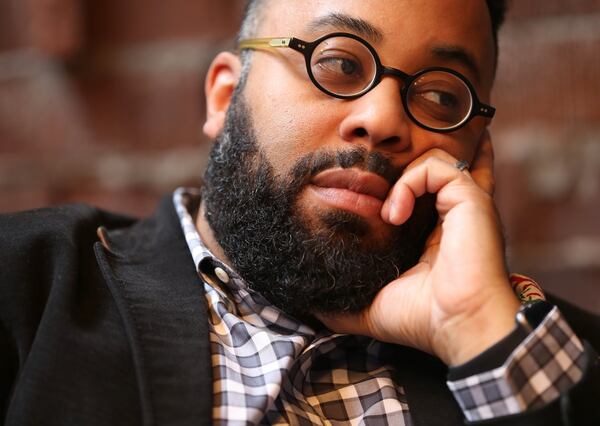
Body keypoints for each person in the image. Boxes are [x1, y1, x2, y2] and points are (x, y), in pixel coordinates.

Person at [1, 1, 599, 425]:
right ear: (224, 94)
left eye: (442, 96)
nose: (385, 119)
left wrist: (473, 327)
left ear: (475, 151)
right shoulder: (27, 285)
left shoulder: (557, 360)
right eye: (339, 63)